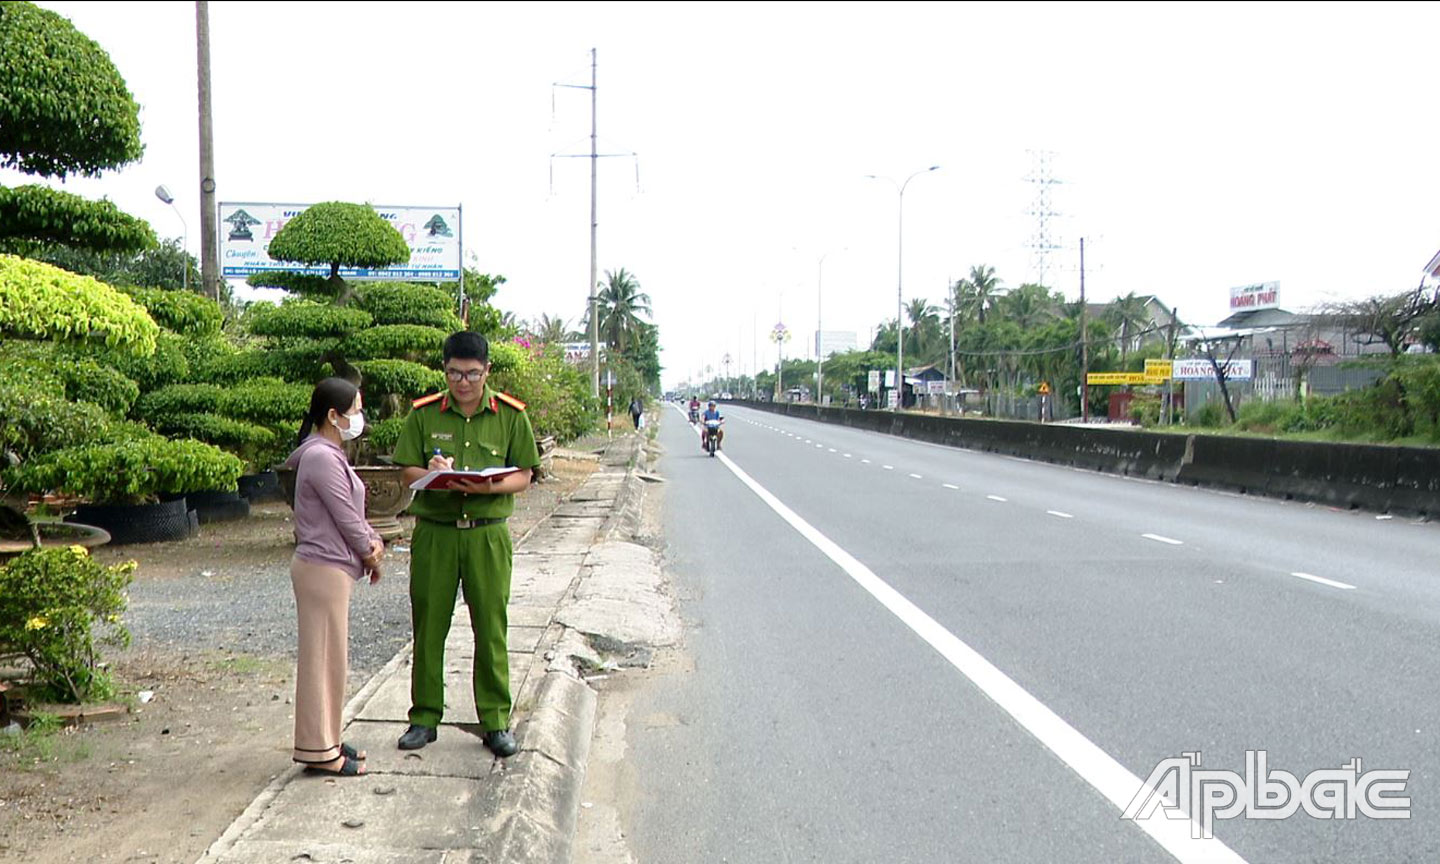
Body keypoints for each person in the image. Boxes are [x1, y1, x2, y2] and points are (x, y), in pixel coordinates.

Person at [393, 332, 542, 758]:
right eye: (455, 373)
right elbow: (406, 469)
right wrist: (433, 470)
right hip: (436, 533)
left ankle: (495, 720)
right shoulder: (424, 414)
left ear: (487, 370)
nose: (463, 382)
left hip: (487, 533)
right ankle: (424, 716)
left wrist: (489, 485)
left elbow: (526, 475)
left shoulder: (510, 415)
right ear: (445, 370)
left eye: (472, 374)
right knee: (428, 624)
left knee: (491, 627)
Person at [283, 377, 383, 777]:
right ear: (332, 415)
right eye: (355, 410)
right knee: (322, 661)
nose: (359, 418)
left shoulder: (327, 453)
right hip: (322, 569)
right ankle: (320, 750)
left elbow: (350, 515)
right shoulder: (322, 458)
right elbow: (346, 517)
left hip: (330, 570)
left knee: (331, 660)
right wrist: (372, 552)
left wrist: (370, 545)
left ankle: (328, 738)